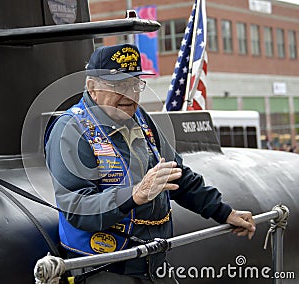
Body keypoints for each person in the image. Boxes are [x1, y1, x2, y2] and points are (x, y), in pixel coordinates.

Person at [45, 43, 256, 283]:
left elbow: (176, 175)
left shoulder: (140, 119)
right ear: (92, 88)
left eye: (134, 85)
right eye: (118, 86)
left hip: (152, 262)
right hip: (104, 268)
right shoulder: (71, 130)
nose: (129, 95)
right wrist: (133, 195)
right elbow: (77, 207)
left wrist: (223, 212)